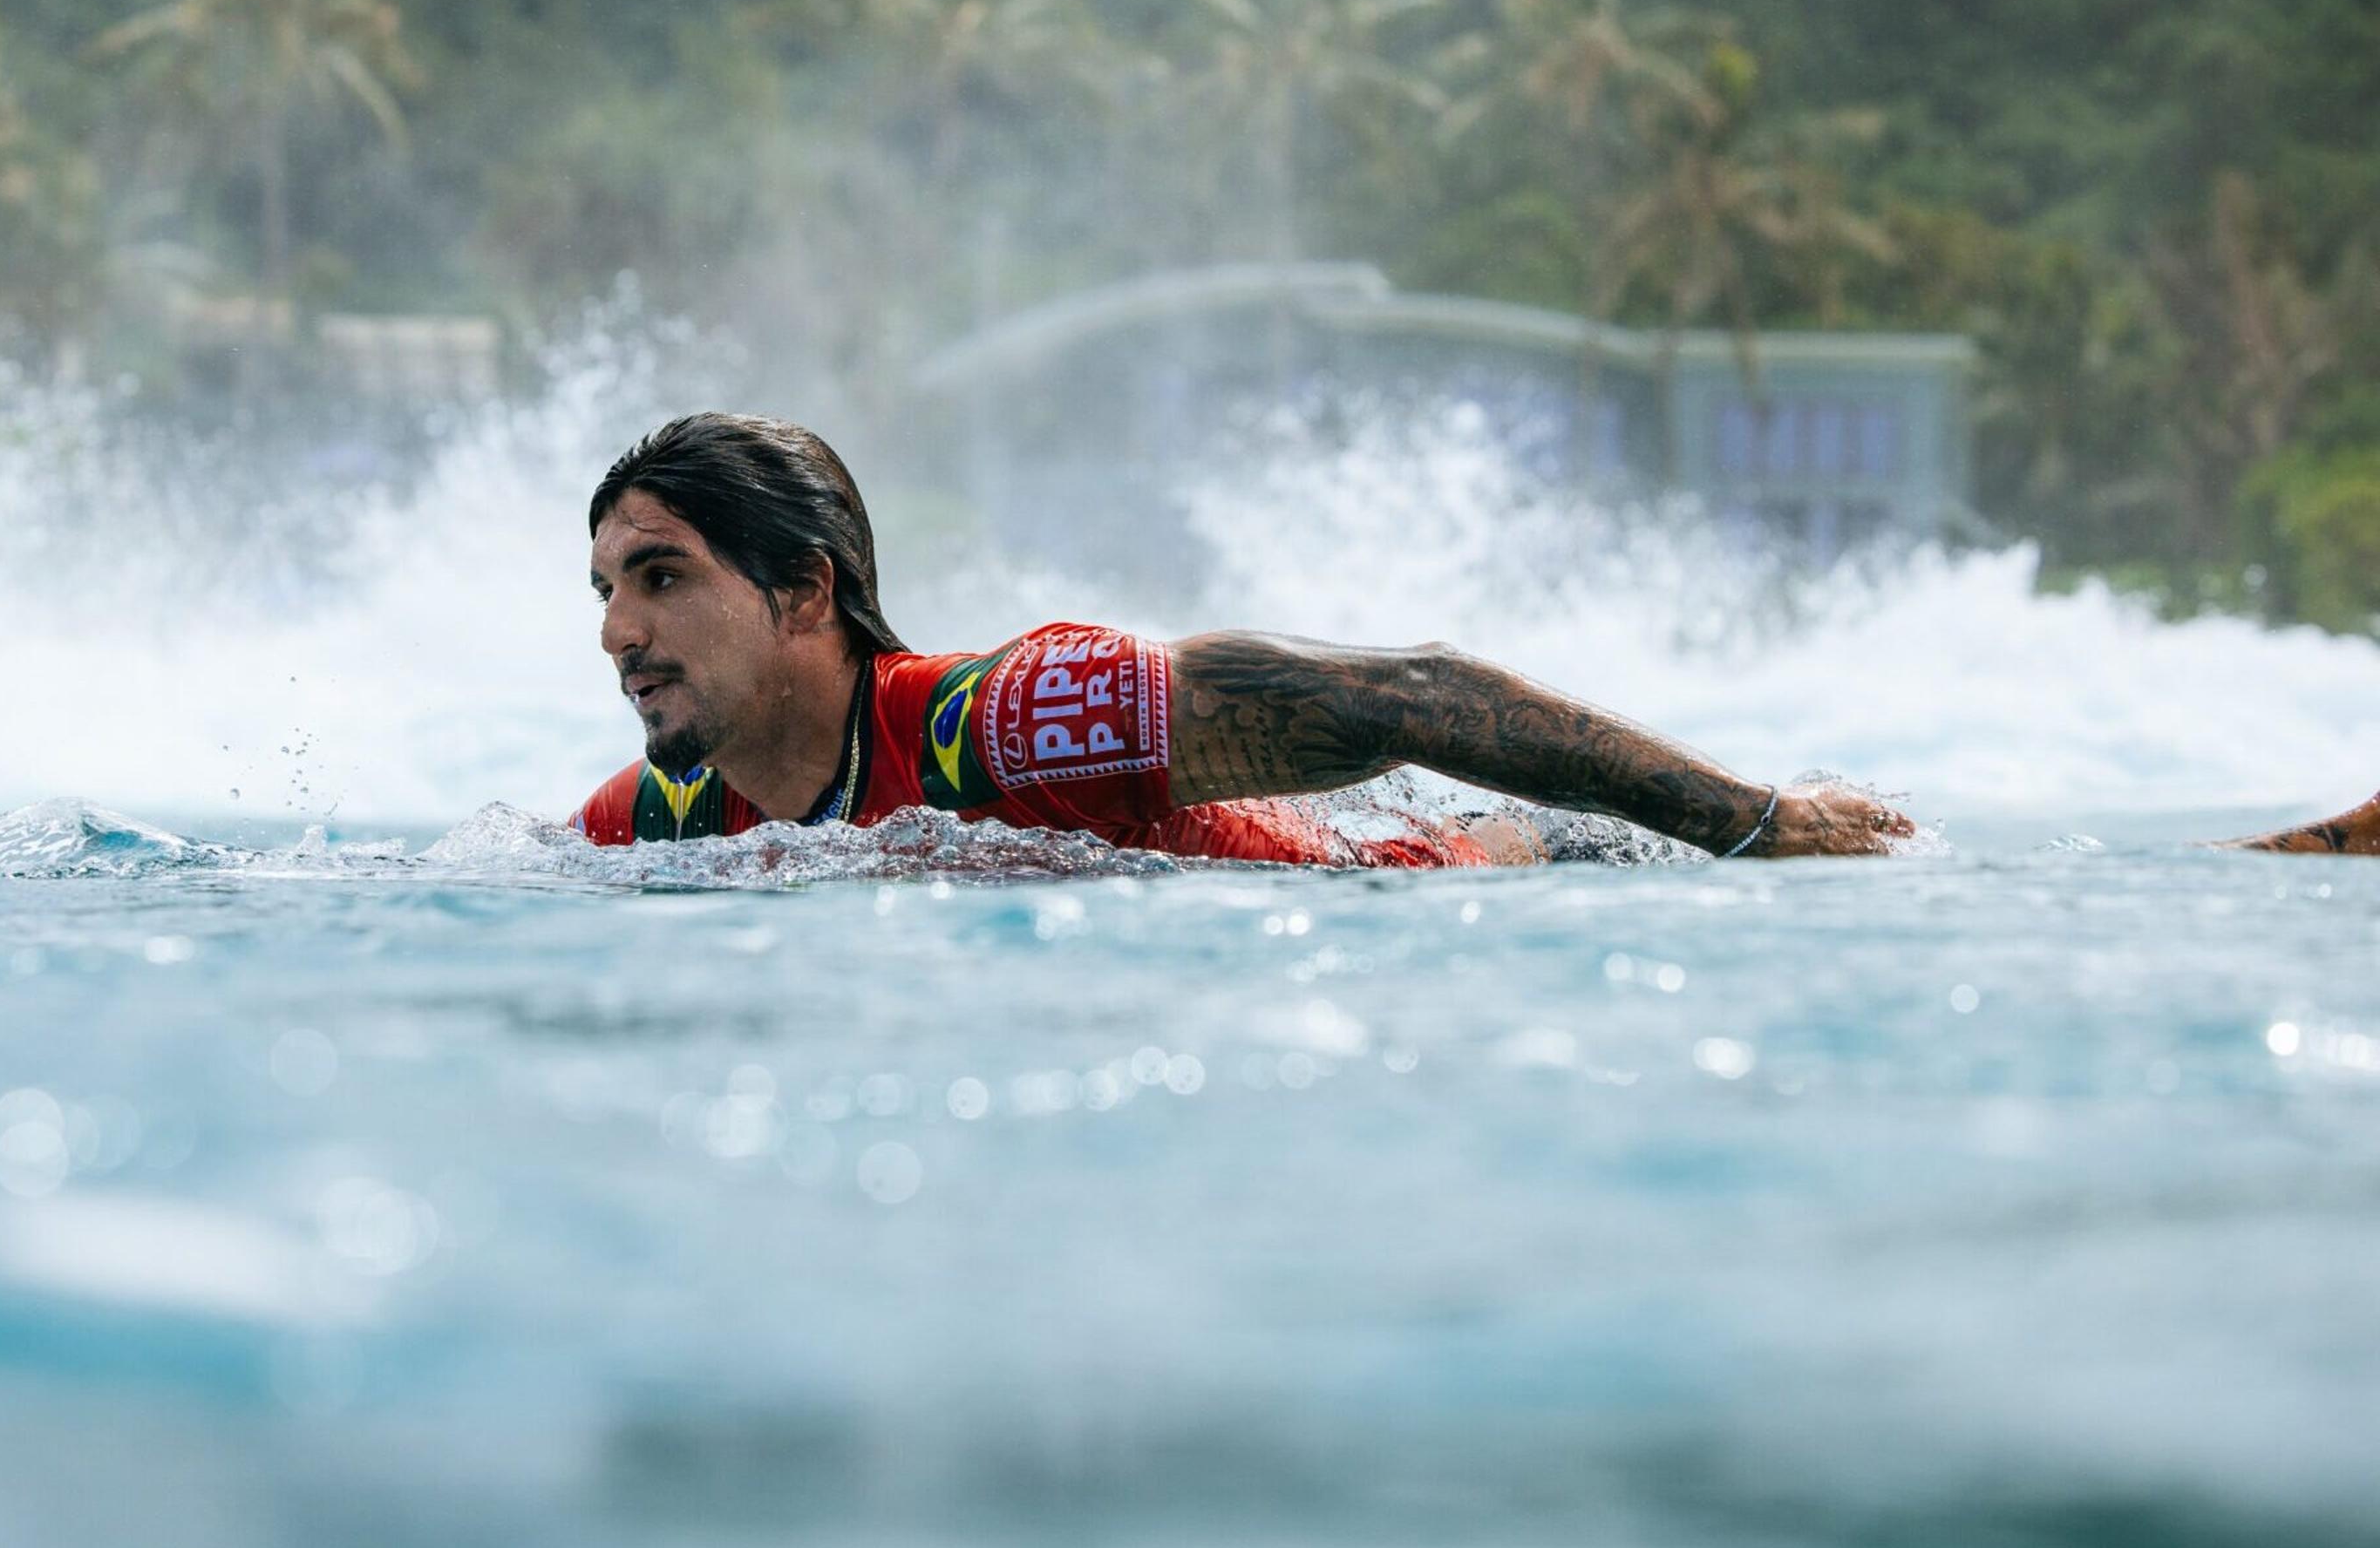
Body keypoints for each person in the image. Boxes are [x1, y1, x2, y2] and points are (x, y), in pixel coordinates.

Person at [573, 412, 2380, 866]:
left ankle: (2257, 860)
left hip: (1445, 876)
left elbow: (1407, 700)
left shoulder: (1012, 722)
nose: (619, 631)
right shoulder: (655, 829)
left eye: (661, 577)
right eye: (602, 591)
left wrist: (1744, 819)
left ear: (804, 591)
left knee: (1855, 861)